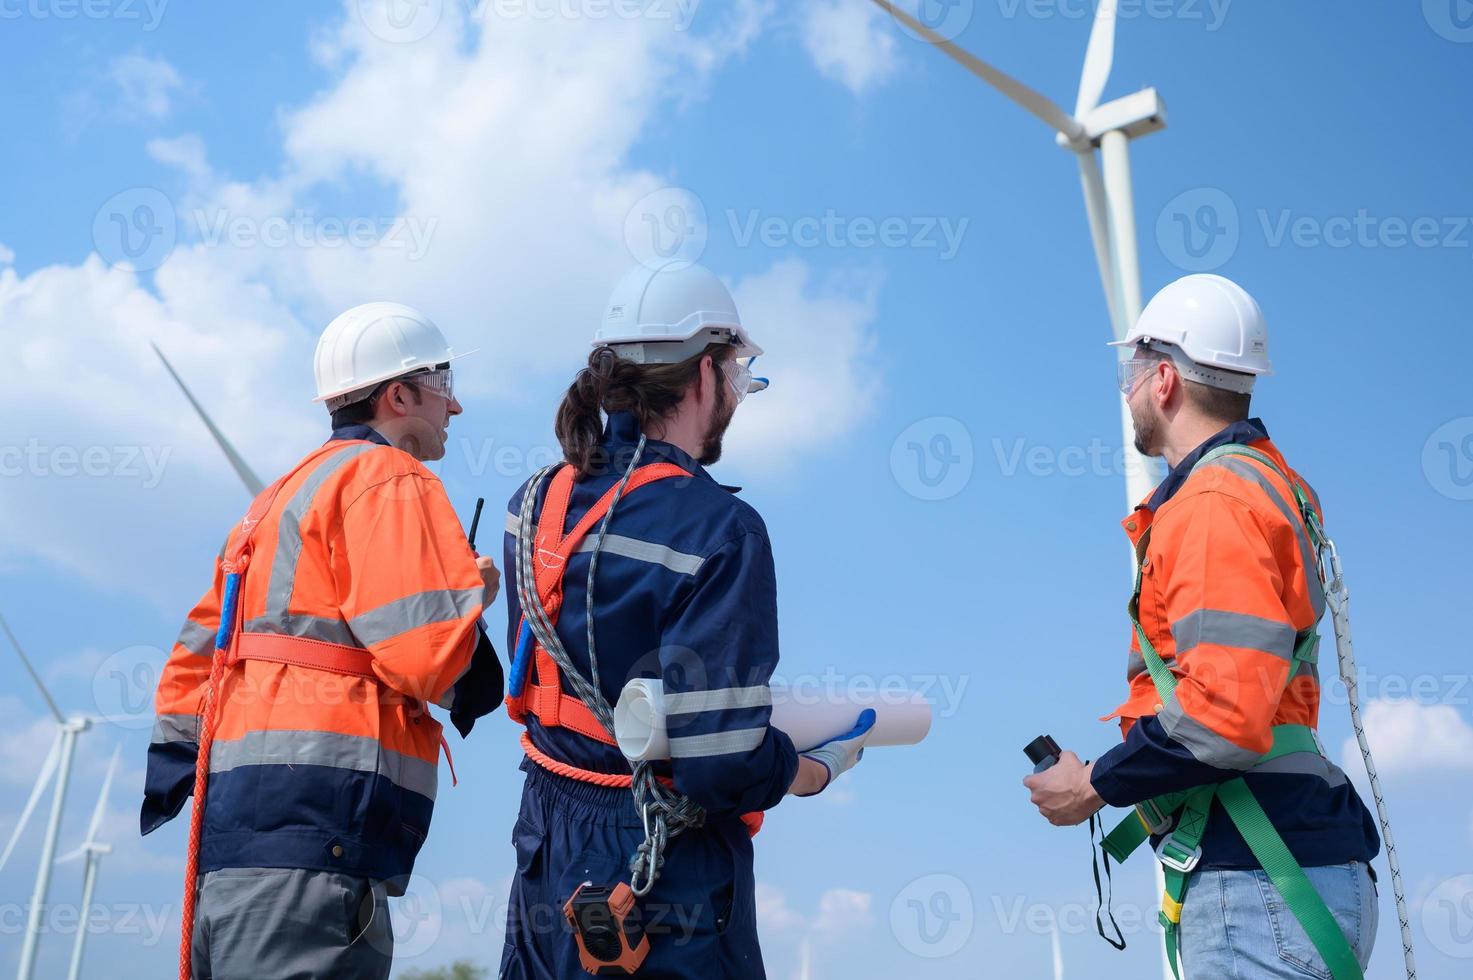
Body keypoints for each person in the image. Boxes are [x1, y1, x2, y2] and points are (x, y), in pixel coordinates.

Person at [498, 261, 874, 979]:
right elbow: (720, 761)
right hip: (656, 864)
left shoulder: (534, 501)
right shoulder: (718, 529)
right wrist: (808, 769)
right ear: (704, 373)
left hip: (545, 840)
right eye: (735, 371)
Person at [1023, 275, 1381, 978]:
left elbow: (1221, 713)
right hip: (1286, 870)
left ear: (1163, 380)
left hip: (1261, 885)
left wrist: (1093, 782)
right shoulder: (1266, 484)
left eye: (1129, 373)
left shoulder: (1214, 498)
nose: (1123, 392)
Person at [142, 302, 505, 979]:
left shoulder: (276, 497)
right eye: (444, 386)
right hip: (320, 830)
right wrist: (470, 602)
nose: (454, 409)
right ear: (399, 393)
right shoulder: (392, 480)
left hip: (234, 838)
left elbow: (192, 663)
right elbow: (426, 656)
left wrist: (176, 772)